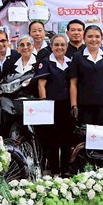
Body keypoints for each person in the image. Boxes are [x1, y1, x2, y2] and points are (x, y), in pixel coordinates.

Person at [37, 34, 73, 176]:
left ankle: (65, 169)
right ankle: (54, 170)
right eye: (56, 45)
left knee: (66, 138)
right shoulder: (46, 62)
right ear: (51, 46)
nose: (59, 47)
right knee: (53, 139)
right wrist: (44, 105)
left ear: (66, 46)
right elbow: (41, 85)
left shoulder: (70, 62)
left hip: (67, 105)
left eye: (62, 45)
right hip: (51, 106)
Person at [69, 25, 103, 125]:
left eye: (97, 36)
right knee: (86, 133)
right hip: (84, 105)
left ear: (102, 38)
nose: (94, 39)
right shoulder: (77, 56)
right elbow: (73, 83)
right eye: (90, 36)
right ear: (84, 38)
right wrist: (74, 105)